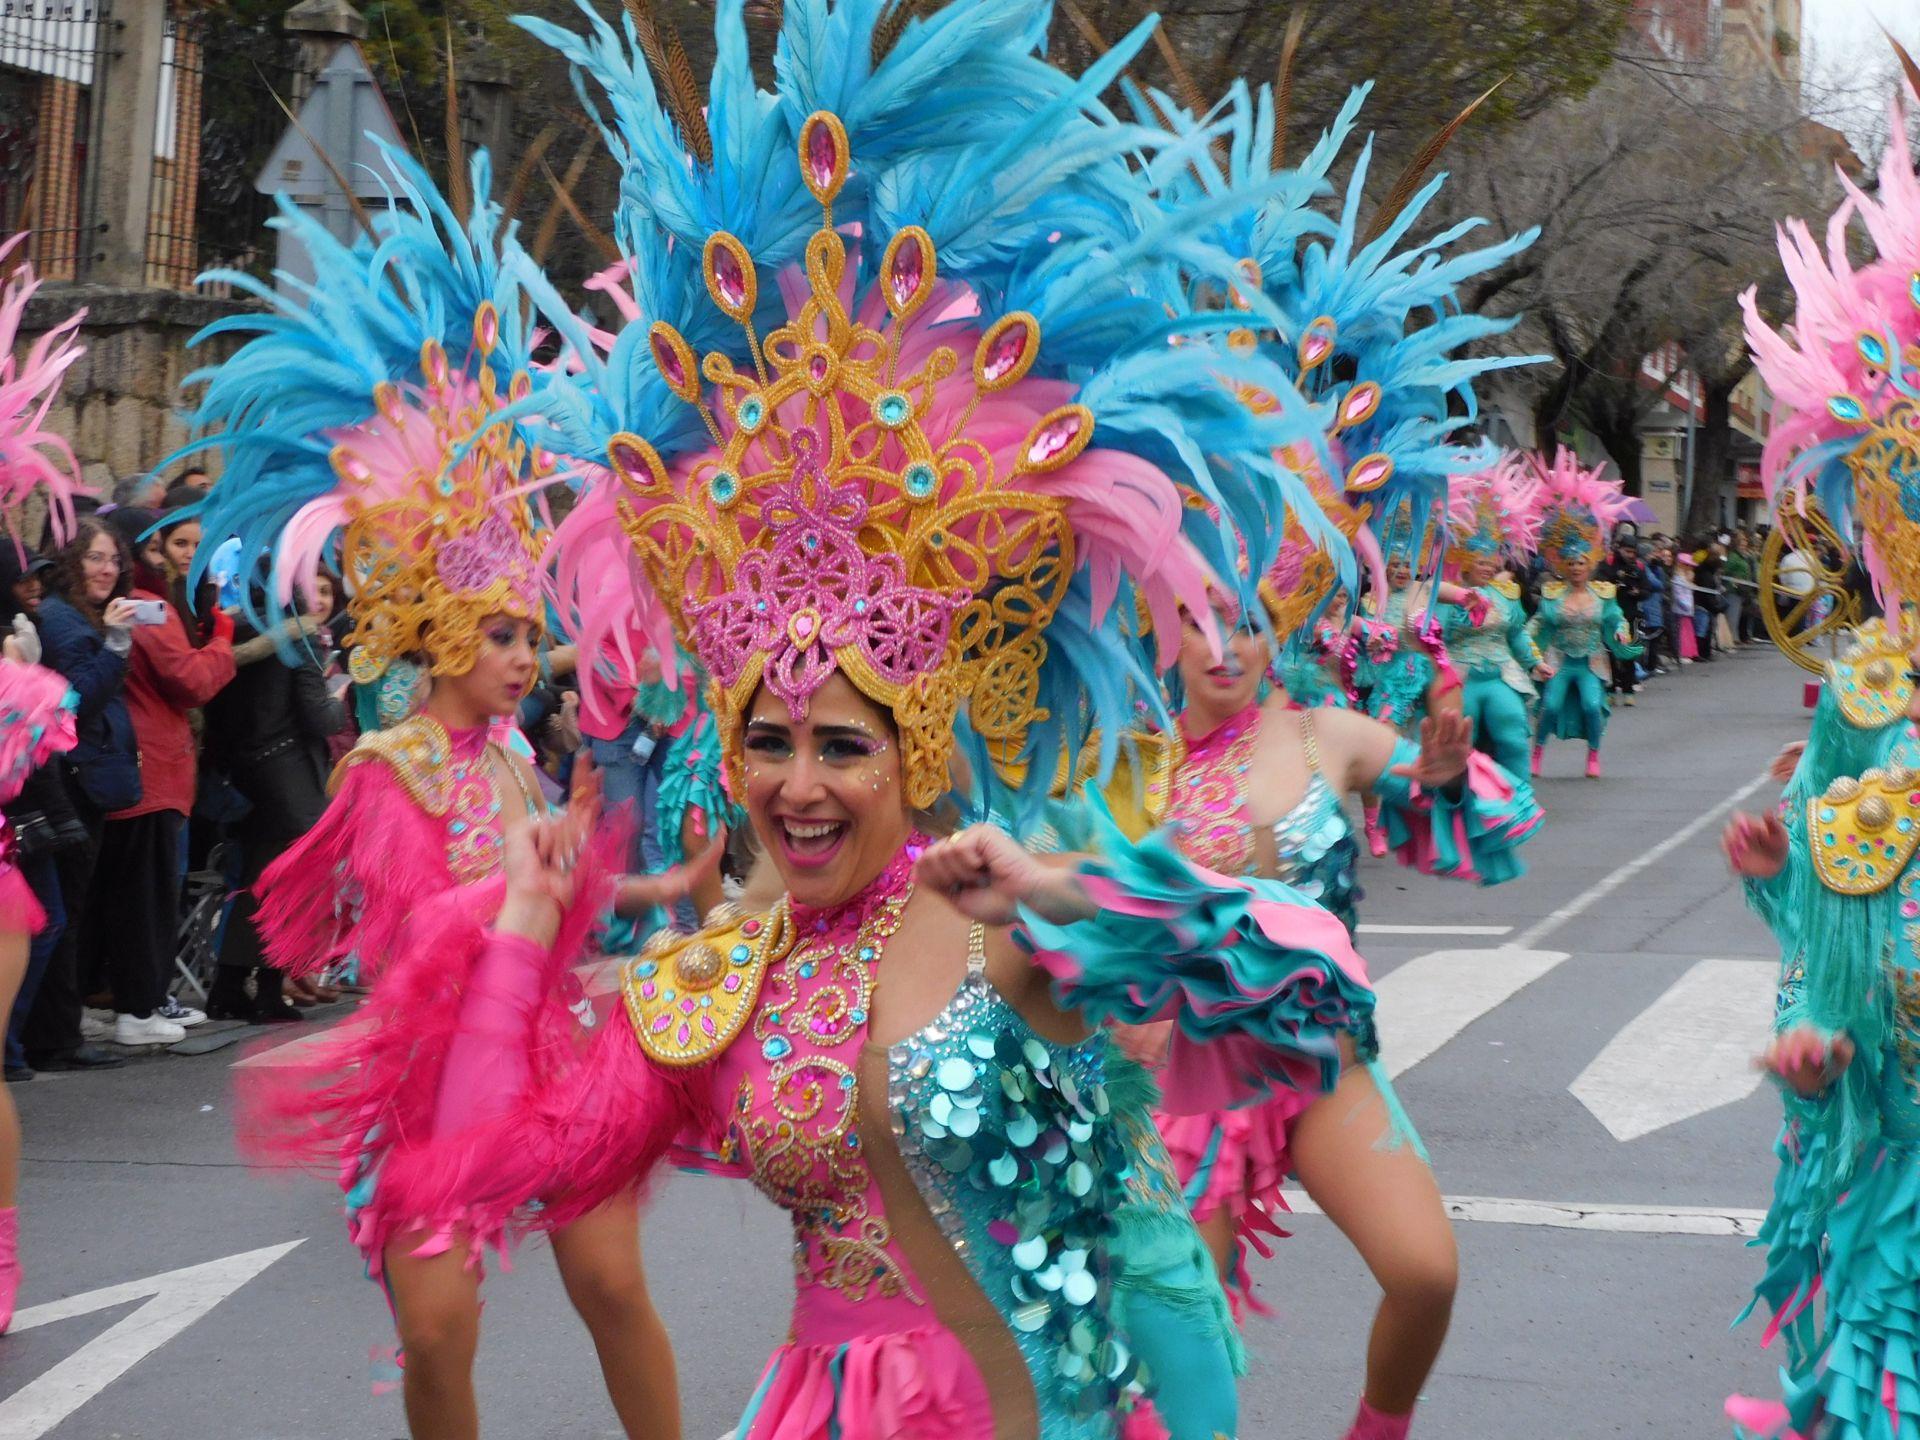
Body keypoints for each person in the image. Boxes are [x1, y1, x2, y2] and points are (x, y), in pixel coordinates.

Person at [187, 154, 701, 1440]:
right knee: (437, 1331)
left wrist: (636, 880)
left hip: (545, 1051)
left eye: (532, 636)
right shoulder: (386, 769)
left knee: (612, 1286)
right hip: (435, 1077)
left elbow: (550, 894)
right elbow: (413, 941)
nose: (529, 659)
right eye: (504, 638)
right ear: (438, 642)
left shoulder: (521, 756)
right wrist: (530, 878)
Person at [1720, 85, 1920, 1440]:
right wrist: (1784, 888)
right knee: (1881, 1372)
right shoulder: (1870, 701)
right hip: (1898, 1124)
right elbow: (1835, 916)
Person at [79, 508, 232, 1042]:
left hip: (131, 767)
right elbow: (190, 679)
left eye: (198, 545)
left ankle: (119, 1000)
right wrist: (223, 635)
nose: (189, 556)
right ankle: (140, 1008)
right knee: (146, 896)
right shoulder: (147, 605)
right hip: (150, 770)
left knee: (119, 894)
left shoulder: (121, 606)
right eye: (177, 545)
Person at [200, 573, 348, 1021]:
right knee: (288, 889)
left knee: (252, 886)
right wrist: (341, 696)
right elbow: (319, 718)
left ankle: (228, 987)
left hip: (244, 778)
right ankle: (267, 992)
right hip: (290, 783)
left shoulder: (234, 632)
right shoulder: (299, 639)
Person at [23, 518, 138, 1072]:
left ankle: (50, 1035)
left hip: (82, 781)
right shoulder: (66, 623)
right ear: (70, 561)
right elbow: (72, 702)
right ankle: (54, 1039)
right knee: (60, 915)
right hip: (71, 782)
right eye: (95, 557)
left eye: (114, 559)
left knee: (68, 912)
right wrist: (116, 647)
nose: (107, 569)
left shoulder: (77, 617)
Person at [1525, 450, 1643, 779]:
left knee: (1593, 706)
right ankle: (1537, 751)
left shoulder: (1602, 594)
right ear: (1563, 566)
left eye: (1582, 563)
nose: (1577, 569)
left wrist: (1620, 631)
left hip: (1591, 662)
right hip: (1561, 659)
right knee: (1549, 706)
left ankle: (1593, 754)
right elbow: (1538, 623)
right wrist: (1526, 644)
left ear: (1589, 565)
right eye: (1571, 564)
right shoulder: (1553, 594)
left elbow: (1615, 618)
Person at [1442, 454, 1551, 771]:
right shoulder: (1447, 594)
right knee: (1460, 745)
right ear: (1463, 561)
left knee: (1514, 736)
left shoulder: (1506, 594)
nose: (1488, 569)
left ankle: (1520, 801)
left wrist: (1536, 662)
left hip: (1501, 675)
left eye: (1492, 563)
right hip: (1461, 679)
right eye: (1480, 563)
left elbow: (1515, 633)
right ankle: (1459, 802)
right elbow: (1432, 637)